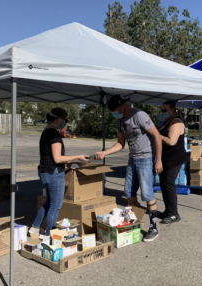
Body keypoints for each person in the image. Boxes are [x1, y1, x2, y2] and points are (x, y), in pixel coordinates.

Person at [94, 95, 163, 242]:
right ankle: (134, 224)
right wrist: (104, 152)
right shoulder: (120, 120)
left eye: (114, 110)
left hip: (146, 159)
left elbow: (157, 136)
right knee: (129, 192)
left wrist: (158, 160)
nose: (114, 113)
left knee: (147, 194)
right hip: (132, 159)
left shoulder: (139, 115)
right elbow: (121, 143)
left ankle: (153, 228)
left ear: (122, 105)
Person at [29, 108, 89, 238]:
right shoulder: (54, 135)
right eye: (65, 119)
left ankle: (35, 227)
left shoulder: (46, 132)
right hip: (53, 173)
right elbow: (57, 158)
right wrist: (77, 156)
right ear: (57, 119)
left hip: (45, 171)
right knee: (55, 206)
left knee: (50, 202)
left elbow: (47, 155)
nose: (66, 122)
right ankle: (50, 236)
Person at [157, 101, 186, 224]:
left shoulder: (176, 122)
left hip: (174, 158)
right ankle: (168, 210)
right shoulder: (167, 121)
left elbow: (171, 141)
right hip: (166, 157)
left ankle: (174, 214)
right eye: (161, 110)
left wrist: (157, 135)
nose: (162, 113)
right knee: (163, 183)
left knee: (168, 183)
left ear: (173, 110)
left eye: (165, 110)